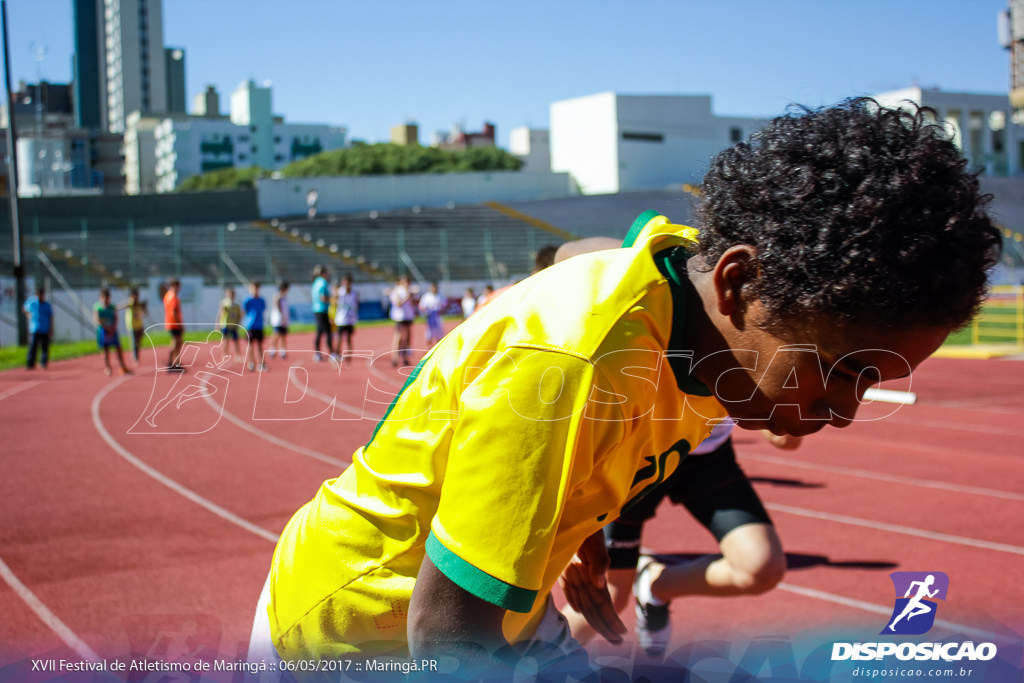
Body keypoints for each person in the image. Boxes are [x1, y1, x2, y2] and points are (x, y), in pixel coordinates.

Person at [250, 99, 1000, 679]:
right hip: (358, 626)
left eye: (868, 384)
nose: (842, 412)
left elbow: (587, 250)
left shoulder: (694, 291)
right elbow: (444, 630)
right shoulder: (572, 367)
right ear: (740, 285)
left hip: (485, 609)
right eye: (840, 369)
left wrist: (568, 514)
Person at [562, 418, 800, 656]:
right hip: (640, 455)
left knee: (761, 568)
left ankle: (654, 586)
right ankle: (532, 660)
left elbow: (785, 440)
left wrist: (791, 414)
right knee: (609, 595)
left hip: (707, 458)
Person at [94, 288, 131, 377]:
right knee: (106, 350)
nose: (105, 299)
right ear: (100, 298)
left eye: (107, 297)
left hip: (112, 330)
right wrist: (106, 327)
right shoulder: (98, 307)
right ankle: (108, 367)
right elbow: (96, 319)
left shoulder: (111, 307)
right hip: (103, 331)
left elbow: (116, 316)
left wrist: (113, 327)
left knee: (118, 348)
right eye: (103, 297)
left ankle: (123, 366)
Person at [388, 275, 416, 367]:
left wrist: (411, 297)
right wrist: (407, 297)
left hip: (408, 317)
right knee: (398, 337)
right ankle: (395, 358)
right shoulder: (397, 291)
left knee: (407, 338)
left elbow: (412, 304)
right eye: (405, 282)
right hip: (400, 318)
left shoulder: (410, 291)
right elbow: (398, 304)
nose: (407, 284)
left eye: (408, 282)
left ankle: (405, 358)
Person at [23, 286, 53, 370]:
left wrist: (51, 329)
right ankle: (30, 363)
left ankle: (43, 362)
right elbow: (24, 308)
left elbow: (51, 317)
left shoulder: (47, 305)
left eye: (41, 294)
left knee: (45, 347)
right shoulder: (32, 303)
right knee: (33, 346)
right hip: (35, 328)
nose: (40, 296)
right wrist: (28, 315)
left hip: (45, 328)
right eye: (38, 294)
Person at [243, 282, 267, 373]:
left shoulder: (261, 300)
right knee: (250, 345)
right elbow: (245, 310)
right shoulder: (247, 300)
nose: (255, 290)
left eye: (257, 288)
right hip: (250, 326)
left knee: (260, 345)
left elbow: (263, 309)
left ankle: (261, 363)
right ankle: (251, 362)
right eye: (253, 288)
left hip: (259, 325)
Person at [334, 275, 359, 364]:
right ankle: (337, 355)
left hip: (350, 320)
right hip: (341, 319)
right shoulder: (340, 292)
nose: (347, 285)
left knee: (349, 339)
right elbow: (334, 299)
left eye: (349, 283)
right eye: (345, 283)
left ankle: (349, 357)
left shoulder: (354, 293)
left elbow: (357, 304)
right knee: (339, 339)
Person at [311, 265, 334, 362]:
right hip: (323, 309)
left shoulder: (315, 283)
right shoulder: (323, 283)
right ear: (323, 273)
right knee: (328, 332)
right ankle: (331, 353)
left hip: (316, 309)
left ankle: (318, 353)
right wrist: (332, 299)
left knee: (320, 332)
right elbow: (323, 297)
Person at [121, 287, 147, 365]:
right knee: (134, 342)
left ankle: (136, 352)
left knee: (139, 340)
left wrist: (144, 307)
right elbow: (124, 305)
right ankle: (135, 357)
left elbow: (144, 313)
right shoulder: (130, 303)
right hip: (132, 325)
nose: (136, 297)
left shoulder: (140, 304)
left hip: (139, 325)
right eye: (134, 295)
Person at [163, 279, 185, 372]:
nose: (179, 288)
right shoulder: (172, 296)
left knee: (178, 342)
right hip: (173, 323)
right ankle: (171, 362)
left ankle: (176, 362)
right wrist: (179, 323)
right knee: (176, 342)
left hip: (172, 323)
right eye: (178, 286)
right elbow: (173, 312)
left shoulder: (169, 295)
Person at [218, 287, 243, 359]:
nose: (230, 295)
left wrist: (238, 323)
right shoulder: (224, 303)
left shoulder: (236, 305)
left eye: (232, 294)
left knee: (236, 340)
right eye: (229, 294)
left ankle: (238, 354)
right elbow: (220, 314)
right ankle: (224, 354)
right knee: (226, 340)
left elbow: (239, 315)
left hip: (233, 325)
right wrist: (218, 324)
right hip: (225, 325)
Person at [418, 282, 446, 347]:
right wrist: (424, 311)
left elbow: (445, 306)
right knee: (429, 334)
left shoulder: (441, 296)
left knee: (439, 334)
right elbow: (421, 306)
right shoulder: (426, 296)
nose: (434, 289)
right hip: (430, 318)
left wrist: (442, 311)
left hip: (438, 318)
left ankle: (438, 348)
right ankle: (429, 348)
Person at [268, 282, 290, 360]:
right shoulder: (278, 296)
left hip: (284, 320)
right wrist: (281, 314)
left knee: (283, 335)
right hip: (278, 319)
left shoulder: (285, 297)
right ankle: (272, 350)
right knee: (276, 334)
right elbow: (277, 303)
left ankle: (283, 351)